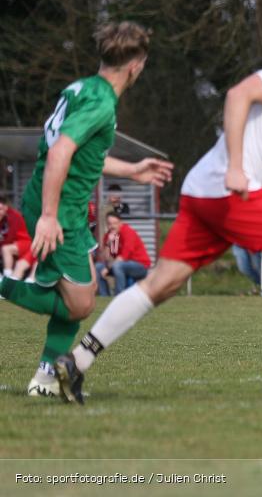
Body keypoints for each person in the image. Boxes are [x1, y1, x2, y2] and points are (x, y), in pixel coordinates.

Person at [54, 6, 262, 404]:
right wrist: (236, 168)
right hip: (229, 192)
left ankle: (77, 361)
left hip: (203, 190)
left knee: (160, 284)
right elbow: (238, 94)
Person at [0, 22, 173, 399]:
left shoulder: (82, 88)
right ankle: (5, 289)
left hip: (68, 210)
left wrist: (132, 170)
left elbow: (82, 154)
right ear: (136, 66)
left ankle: (45, 377)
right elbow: (61, 150)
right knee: (79, 304)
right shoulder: (101, 102)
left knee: (83, 294)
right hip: (59, 211)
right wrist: (48, 215)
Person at [95, 212, 151, 296]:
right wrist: (108, 244)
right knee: (98, 267)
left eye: (115, 223)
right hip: (121, 265)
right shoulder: (108, 236)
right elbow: (106, 259)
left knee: (118, 265)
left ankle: (119, 296)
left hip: (140, 265)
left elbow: (125, 256)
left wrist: (107, 269)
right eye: (109, 224)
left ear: (120, 223)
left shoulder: (128, 232)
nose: (112, 226)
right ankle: (105, 297)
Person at [1, 196, 36, 280]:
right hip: (20, 245)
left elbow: (10, 236)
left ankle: (7, 279)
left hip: (26, 243)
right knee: (19, 267)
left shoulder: (13, 216)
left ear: (5, 207)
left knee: (6, 249)